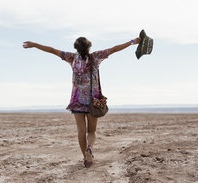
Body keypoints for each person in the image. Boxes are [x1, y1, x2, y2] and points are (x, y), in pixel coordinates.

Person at [23, 36, 141, 167]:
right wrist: (132, 42)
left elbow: (52, 50)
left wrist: (35, 44)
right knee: (91, 131)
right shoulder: (95, 57)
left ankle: (86, 158)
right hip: (93, 101)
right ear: (89, 47)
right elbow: (114, 49)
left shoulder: (71, 58)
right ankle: (89, 148)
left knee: (81, 130)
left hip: (77, 100)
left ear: (76, 48)